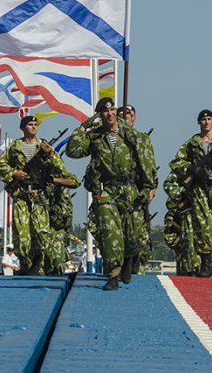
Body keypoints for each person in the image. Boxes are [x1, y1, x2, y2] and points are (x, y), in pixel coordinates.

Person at [66, 97, 154, 290]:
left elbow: (146, 160)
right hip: (107, 190)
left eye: (112, 109)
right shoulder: (95, 136)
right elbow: (72, 151)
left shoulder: (132, 135)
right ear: (100, 115)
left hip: (130, 189)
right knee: (110, 232)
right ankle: (113, 274)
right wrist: (84, 126)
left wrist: (147, 187)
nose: (110, 113)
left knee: (132, 235)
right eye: (104, 111)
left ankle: (129, 257)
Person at [0, 115, 78, 275]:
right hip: (22, 195)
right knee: (23, 236)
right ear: (23, 128)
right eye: (30, 124)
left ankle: (40, 265)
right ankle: (26, 264)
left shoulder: (43, 146)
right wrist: (14, 173)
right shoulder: (15, 147)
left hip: (40, 197)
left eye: (35, 124)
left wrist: (51, 155)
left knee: (41, 233)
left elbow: (61, 168)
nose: (33, 127)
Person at [164, 109, 212, 277]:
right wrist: (191, 167)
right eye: (203, 119)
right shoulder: (192, 143)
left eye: (209, 119)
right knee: (203, 228)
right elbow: (175, 162)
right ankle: (206, 262)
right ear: (198, 122)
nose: (206, 122)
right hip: (199, 190)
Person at [117, 104, 158, 274]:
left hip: (136, 189)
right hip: (117, 189)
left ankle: (135, 262)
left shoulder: (142, 139)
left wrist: (151, 186)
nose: (126, 116)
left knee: (138, 231)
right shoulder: (112, 138)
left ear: (134, 118)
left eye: (130, 114)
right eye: (123, 114)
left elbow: (150, 165)